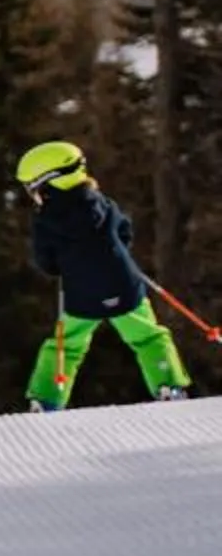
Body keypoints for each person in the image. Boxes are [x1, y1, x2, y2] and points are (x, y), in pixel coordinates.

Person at [17, 142, 191, 409]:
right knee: (148, 337)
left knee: (66, 347)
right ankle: (169, 385)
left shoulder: (46, 221)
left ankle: (46, 399)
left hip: (81, 294)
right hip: (124, 284)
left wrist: (62, 266)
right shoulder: (104, 204)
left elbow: (46, 261)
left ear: (49, 183)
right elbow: (124, 233)